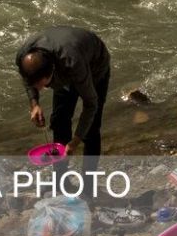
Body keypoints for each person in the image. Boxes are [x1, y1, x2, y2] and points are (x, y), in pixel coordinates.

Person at [16, 26, 111, 172]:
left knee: (91, 129)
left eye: (43, 85)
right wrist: (34, 103)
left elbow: (91, 104)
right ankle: (61, 178)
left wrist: (75, 141)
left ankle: (88, 182)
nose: (40, 89)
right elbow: (28, 79)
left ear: (52, 72)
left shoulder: (72, 63)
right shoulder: (24, 56)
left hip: (95, 66)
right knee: (59, 120)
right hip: (64, 58)